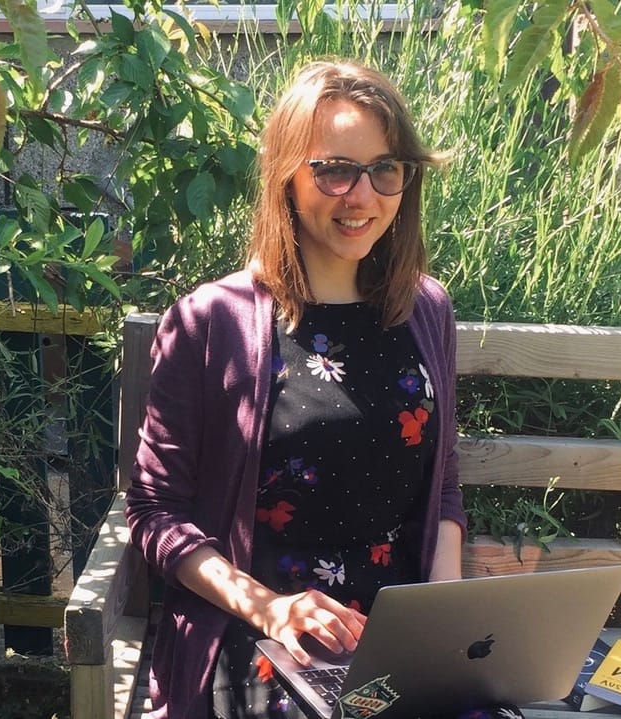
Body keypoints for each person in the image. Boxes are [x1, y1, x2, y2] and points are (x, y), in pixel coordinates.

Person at [125, 59, 507, 719]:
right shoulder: (207, 322)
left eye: (384, 168)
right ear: (286, 179)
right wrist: (266, 606)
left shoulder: (426, 310)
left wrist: (444, 628)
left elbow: (441, 483)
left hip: (396, 641)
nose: (361, 196)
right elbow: (156, 514)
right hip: (262, 639)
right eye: (333, 169)